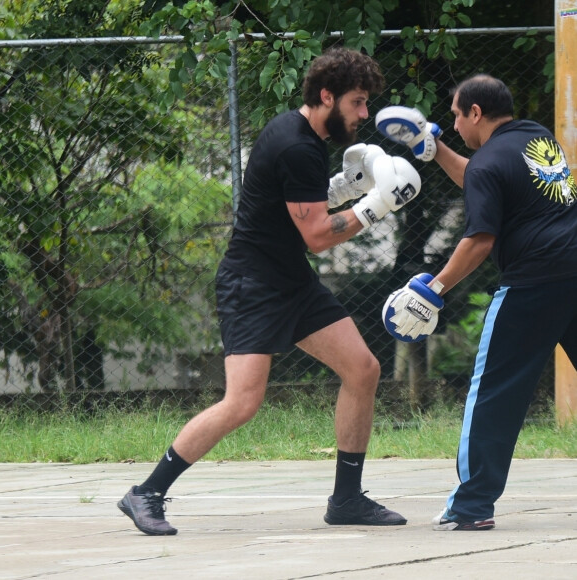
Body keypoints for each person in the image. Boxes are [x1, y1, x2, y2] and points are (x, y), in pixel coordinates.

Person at [117, 46, 423, 536]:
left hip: (288, 280)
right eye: (358, 102)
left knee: (363, 369)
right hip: (253, 284)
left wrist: (343, 188)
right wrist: (375, 205)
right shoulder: (297, 145)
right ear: (328, 96)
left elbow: (299, 203)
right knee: (242, 401)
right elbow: (318, 237)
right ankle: (145, 492)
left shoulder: (300, 132)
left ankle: (346, 499)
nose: (365, 114)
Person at [378, 74, 577, 531]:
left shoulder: (489, 162)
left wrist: (434, 289)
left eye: (454, 115)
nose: (451, 123)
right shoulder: (536, 138)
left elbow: (481, 238)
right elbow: (488, 177)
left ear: (474, 113)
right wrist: (435, 151)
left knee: (493, 393)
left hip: (534, 284)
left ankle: (470, 508)